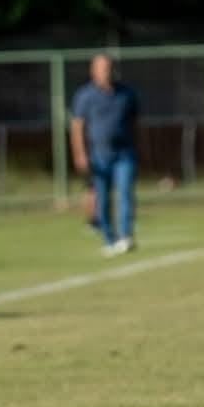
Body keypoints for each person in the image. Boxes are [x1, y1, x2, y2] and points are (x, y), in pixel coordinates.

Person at [69, 53, 140, 256]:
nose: (105, 72)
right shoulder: (85, 96)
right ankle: (109, 238)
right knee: (102, 198)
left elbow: (136, 123)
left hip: (125, 153)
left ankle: (125, 236)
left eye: (108, 68)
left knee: (125, 192)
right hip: (99, 156)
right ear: (93, 71)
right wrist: (80, 154)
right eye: (101, 68)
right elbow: (77, 127)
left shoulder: (127, 94)